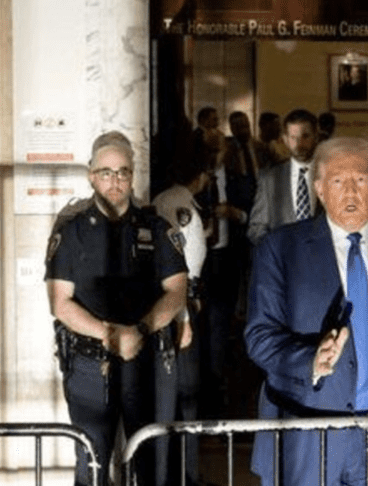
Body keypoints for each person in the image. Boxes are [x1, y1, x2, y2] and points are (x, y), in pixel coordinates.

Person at [244, 136, 368, 486]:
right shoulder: (280, 249)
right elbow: (260, 336)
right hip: (307, 435)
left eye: (361, 180)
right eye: (338, 181)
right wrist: (309, 360)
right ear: (319, 189)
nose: (351, 191)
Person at [45, 131, 188, 486]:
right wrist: (110, 335)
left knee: (152, 464)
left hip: (147, 359)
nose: (115, 181)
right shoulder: (72, 231)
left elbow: (176, 292)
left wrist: (139, 330)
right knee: (91, 463)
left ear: (132, 176)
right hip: (90, 363)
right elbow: (60, 303)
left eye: (122, 172)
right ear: (91, 176)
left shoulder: (156, 227)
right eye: (106, 173)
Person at [151, 155, 210, 486]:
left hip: (174, 307)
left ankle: (181, 472)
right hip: (179, 310)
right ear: (200, 175)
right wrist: (184, 318)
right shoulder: (182, 206)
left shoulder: (166, 199)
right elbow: (183, 269)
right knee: (185, 395)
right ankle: (186, 474)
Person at [196, 128, 256, 418]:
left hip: (229, 261)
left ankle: (221, 388)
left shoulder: (238, 179)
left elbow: (253, 215)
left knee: (223, 325)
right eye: (208, 149)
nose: (212, 155)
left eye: (217, 149)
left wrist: (235, 213)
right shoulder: (195, 182)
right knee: (204, 327)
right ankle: (206, 388)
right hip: (202, 262)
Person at [247, 108, 320, 246]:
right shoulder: (270, 178)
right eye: (293, 138)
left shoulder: (331, 175)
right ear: (285, 139)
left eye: (305, 136)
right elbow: (256, 228)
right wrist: (276, 251)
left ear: (316, 136)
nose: (299, 144)